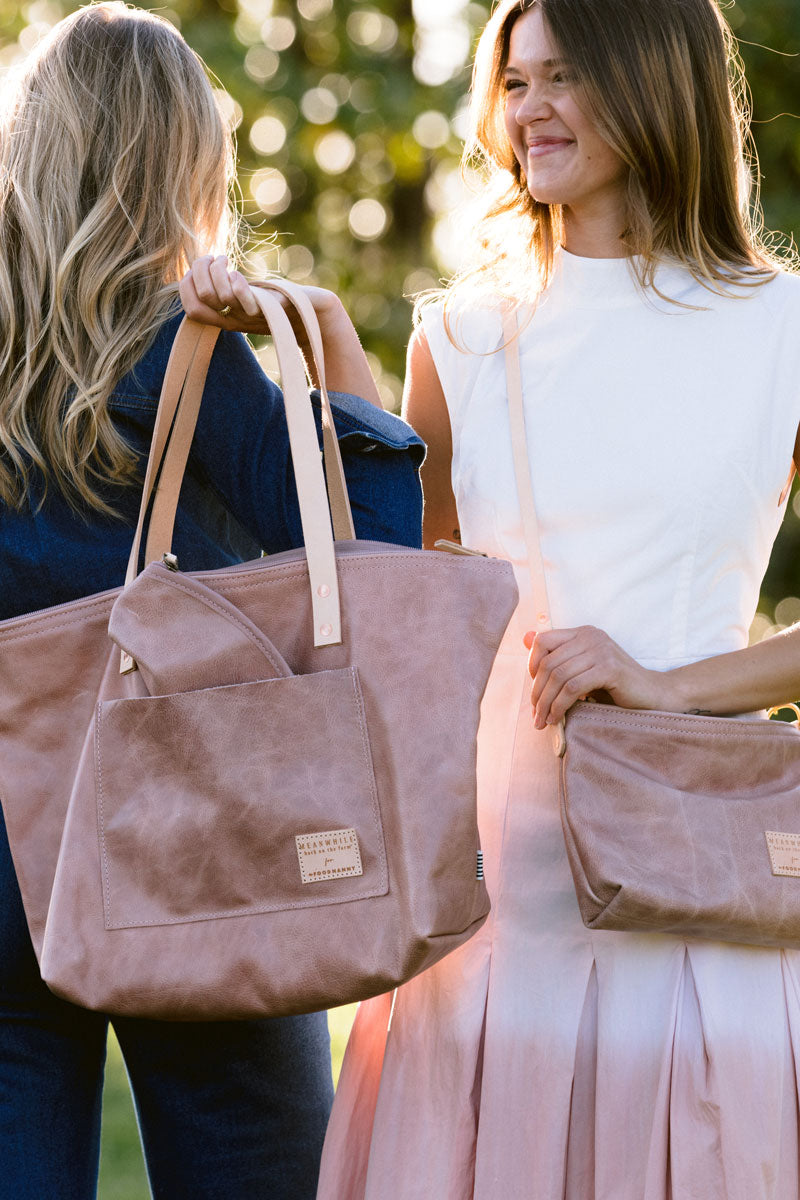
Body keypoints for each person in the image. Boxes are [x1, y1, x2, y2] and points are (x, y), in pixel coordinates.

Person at [312, 1, 800, 1196]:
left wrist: (665, 683)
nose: (527, 110)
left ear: (651, 81)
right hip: (493, 915)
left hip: (699, 910)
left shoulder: (779, 328)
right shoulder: (458, 340)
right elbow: (400, 603)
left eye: (562, 76)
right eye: (514, 81)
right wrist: (323, 344)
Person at [0, 5, 423, 1199]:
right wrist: (323, 338)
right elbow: (374, 563)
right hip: (194, 840)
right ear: (183, 161)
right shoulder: (184, 350)